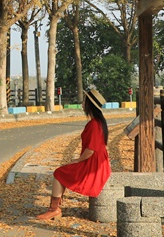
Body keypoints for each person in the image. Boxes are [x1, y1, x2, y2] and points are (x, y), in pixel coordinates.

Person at [36, 87, 112, 220]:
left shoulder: (94, 125)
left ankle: (54, 209)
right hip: (98, 161)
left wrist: (78, 160)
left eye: (84, 101)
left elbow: (90, 150)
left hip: (93, 165)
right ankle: (55, 208)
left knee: (59, 173)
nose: (82, 104)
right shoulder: (99, 123)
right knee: (62, 172)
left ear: (89, 105)